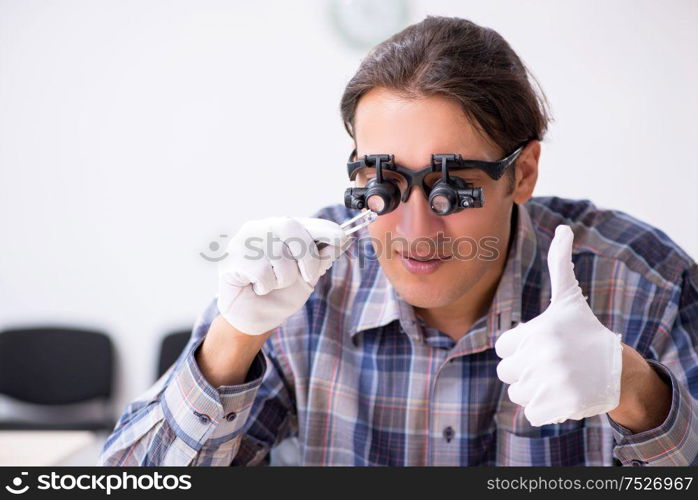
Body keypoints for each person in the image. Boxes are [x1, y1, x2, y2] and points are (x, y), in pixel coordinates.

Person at [99, 16, 697, 466]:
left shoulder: (646, 286)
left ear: (523, 172)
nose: (414, 233)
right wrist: (233, 340)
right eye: (381, 184)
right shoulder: (298, 281)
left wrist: (638, 395)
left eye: (452, 188)